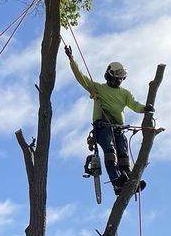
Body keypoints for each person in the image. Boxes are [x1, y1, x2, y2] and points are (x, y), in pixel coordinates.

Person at [64, 45, 153, 194]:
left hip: (118, 128)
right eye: (115, 79)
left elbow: (135, 105)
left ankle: (128, 179)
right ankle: (116, 181)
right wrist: (72, 59)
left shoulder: (125, 93)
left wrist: (145, 108)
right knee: (110, 151)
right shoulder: (98, 88)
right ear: (109, 76)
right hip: (102, 126)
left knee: (123, 154)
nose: (117, 82)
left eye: (120, 79)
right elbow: (81, 77)